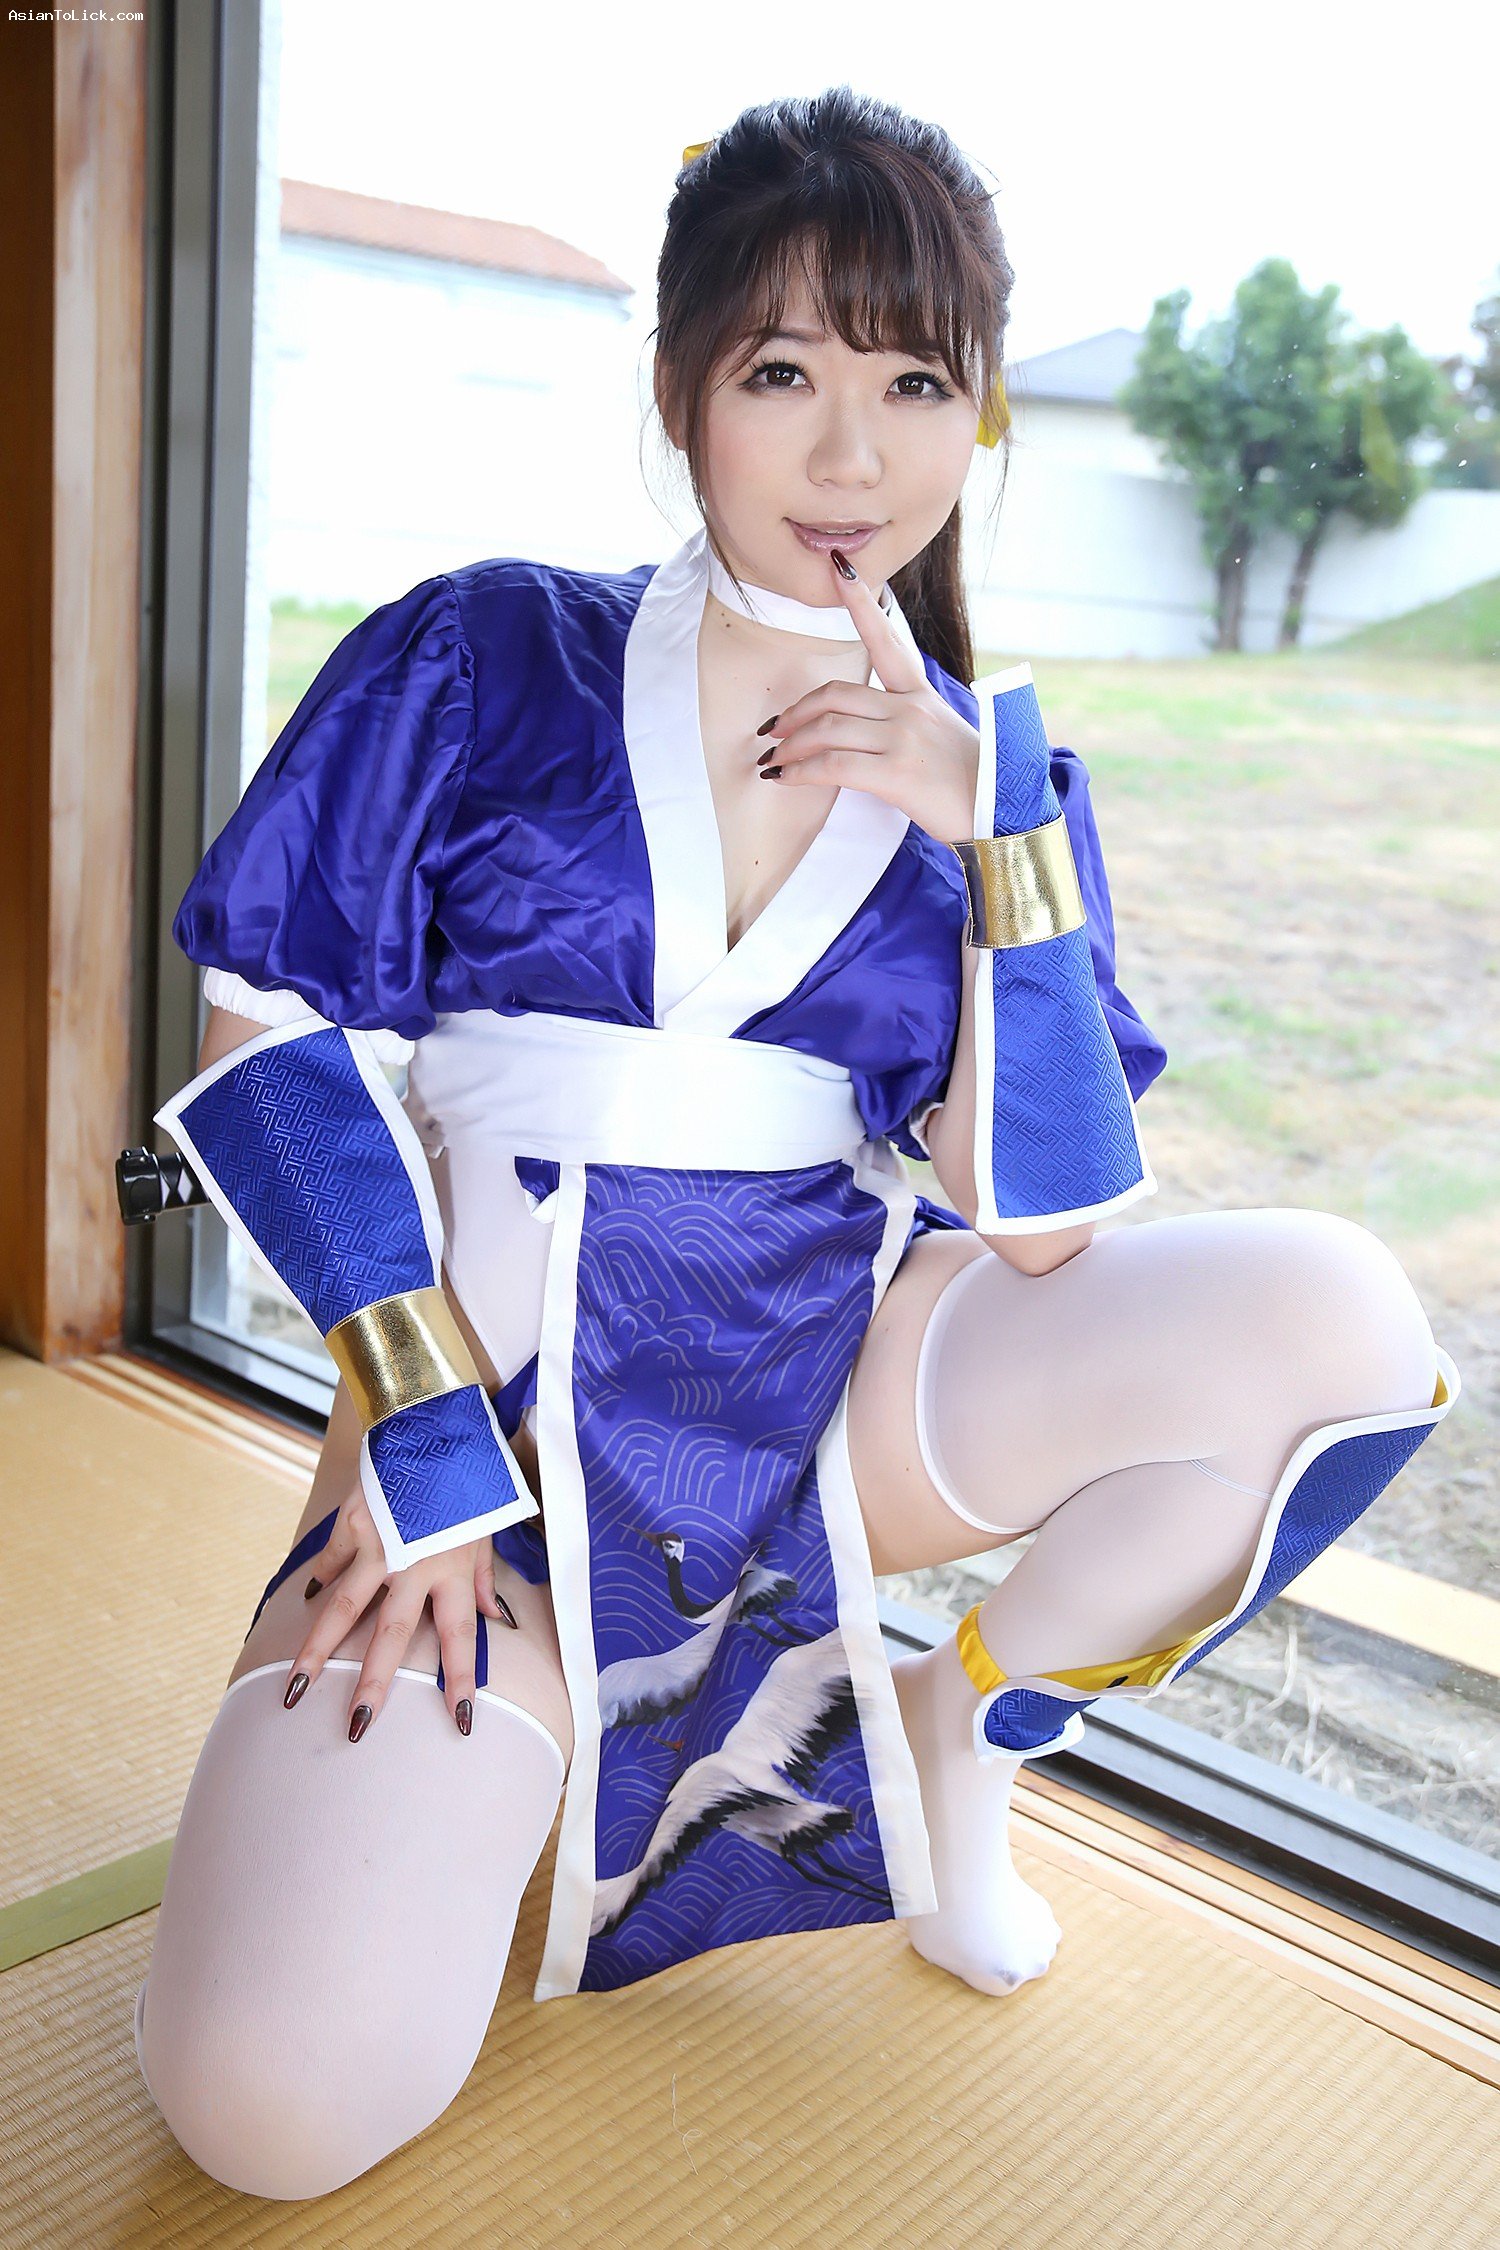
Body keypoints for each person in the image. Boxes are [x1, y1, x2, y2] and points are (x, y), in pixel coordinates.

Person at [131, 87, 1458, 2201]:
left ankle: (953, 1736)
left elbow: (1037, 1227)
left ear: (979, 411)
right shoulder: (486, 650)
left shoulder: (999, 774)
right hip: (484, 1454)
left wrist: (994, 839)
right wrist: (422, 1442)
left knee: (1341, 1328)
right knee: (270, 2108)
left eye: (917, 384)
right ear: (683, 391)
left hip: (821, 1413)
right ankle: (498, 1749)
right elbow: (264, 1032)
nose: (855, 458)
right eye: (783, 375)